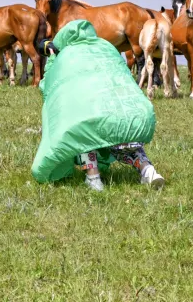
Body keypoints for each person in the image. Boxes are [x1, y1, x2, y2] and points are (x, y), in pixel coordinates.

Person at [40, 37, 165, 192]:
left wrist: (52, 58)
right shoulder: (105, 48)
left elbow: (49, 87)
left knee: (82, 130)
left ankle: (94, 178)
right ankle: (148, 170)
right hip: (130, 111)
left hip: (97, 116)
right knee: (126, 140)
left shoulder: (67, 56)